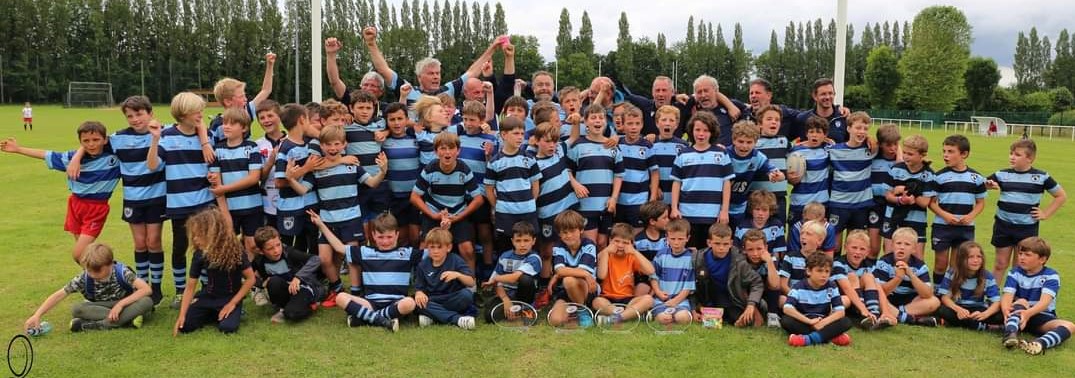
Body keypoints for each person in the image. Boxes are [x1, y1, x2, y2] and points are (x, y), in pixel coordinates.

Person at [1, 121, 119, 263]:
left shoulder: (115, 156)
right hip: (76, 205)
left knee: (79, 254)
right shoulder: (71, 158)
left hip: (96, 208)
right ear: (80, 142)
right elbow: (46, 154)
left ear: (105, 140)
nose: (91, 144)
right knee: (87, 254)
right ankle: (99, 281)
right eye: (86, 141)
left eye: (96, 140)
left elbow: (128, 137)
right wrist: (18, 149)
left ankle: (116, 274)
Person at [147, 92, 216, 307]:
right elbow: (152, 166)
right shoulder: (167, 135)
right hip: (179, 205)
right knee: (179, 249)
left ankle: (206, 289)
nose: (201, 114)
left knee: (205, 248)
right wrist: (155, 140)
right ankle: (179, 291)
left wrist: (204, 141)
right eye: (197, 111)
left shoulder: (207, 136)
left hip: (204, 203)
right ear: (183, 113)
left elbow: (214, 162)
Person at [307, 126, 387, 305]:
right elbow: (303, 187)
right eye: (328, 144)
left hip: (350, 219)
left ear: (345, 145)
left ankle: (357, 293)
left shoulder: (352, 165)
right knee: (325, 259)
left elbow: (372, 183)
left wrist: (382, 171)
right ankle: (337, 289)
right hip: (327, 221)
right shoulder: (318, 167)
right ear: (321, 146)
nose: (333, 148)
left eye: (337, 144)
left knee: (352, 257)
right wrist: (290, 178)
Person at [315, 212, 418, 332]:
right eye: (380, 237)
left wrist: (443, 229)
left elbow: (434, 253)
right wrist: (321, 225)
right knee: (340, 297)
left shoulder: (407, 253)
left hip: (396, 303)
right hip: (370, 303)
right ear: (373, 235)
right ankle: (382, 320)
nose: (385, 241)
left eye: (389, 237)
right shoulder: (365, 252)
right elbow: (339, 247)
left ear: (397, 234)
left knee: (410, 303)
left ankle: (367, 318)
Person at [361, 25, 504, 107]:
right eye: (431, 73)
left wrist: (493, 47)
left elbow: (473, 71)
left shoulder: (449, 89)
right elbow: (383, 69)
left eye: (437, 73)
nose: (436, 76)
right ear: (419, 77)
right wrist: (371, 44)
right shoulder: (408, 90)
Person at [24, 243, 152, 333]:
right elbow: (59, 295)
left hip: (124, 305)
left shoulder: (122, 272)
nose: (93, 275)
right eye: (89, 271)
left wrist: (120, 305)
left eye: (97, 271)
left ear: (110, 264)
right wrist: (37, 315)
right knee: (77, 308)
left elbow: (146, 289)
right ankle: (126, 320)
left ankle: (93, 325)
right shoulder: (83, 278)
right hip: (100, 306)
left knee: (147, 301)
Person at [986, 139, 1066, 280]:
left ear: (1030, 158)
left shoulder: (1041, 177)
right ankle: (991, 297)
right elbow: (983, 185)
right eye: (1011, 153)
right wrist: (988, 185)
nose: (1012, 157)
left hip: (1026, 229)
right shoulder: (1001, 174)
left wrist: (1045, 213)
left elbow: (1060, 196)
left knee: (1019, 266)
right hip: (1003, 225)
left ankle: (1013, 298)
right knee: (1000, 264)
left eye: (1017, 154)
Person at [173, 208, 256, 335]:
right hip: (208, 296)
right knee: (185, 326)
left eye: (198, 235)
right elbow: (190, 287)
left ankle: (230, 311)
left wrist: (233, 303)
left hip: (230, 297)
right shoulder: (199, 254)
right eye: (193, 235)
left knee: (227, 328)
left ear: (212, 233)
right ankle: (212, 312)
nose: (194, 239)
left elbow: (251, 279)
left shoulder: (235, 250)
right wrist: (182, 315)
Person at [410, 131, 484, 265]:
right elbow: (414, 197)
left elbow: (478, 199)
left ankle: (470, 282)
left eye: (451, 148)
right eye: (443, 148)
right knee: (425, 249)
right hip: (435, 212)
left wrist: (459, 216)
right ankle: (424, 281)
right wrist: (433, 215)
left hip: (457, 213)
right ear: (436, 151)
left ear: (458, 151)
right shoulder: (430, 169)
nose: (447, 152)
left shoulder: (464, 169)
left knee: (467, 249)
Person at [1001, 237, 1075, 355]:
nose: (1022, 257)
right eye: (1020, 253)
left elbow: (1044, 303)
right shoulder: (1015, 272)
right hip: (1018, 315)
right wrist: (1005, 310)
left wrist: (1028, 313)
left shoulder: (1051, 276)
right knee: (1021, 301)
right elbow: (1007, 296)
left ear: (1042, 259)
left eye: (1027, 255)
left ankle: (1039, 343)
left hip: (1040, 317)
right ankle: (1010, 334)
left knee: (1070, 326)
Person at [928, 134, 986, 286]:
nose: (945, 155)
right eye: (944, 151)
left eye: (950, 151)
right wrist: (945, 215)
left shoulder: (976, 178)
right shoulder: (938, 176)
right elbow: (932, 203)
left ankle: (949, 292)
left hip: (965, 227)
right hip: (943, 226)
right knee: (941, 263)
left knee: (956, 265)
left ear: (964, 154)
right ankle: (937, 291)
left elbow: (980, 203)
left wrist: (971, 216)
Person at [671, 112, 733, 249]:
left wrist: (724, 210)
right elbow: (676, 182)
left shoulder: (721, 154)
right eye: (697, 130)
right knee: (691, 252)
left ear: (712, 132)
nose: (701, 134)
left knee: (709, 251)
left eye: (706, 130)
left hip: (713, 214)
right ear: (691, 131)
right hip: (687, 213)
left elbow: (726, 183)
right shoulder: (683, 154)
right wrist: (675, 208)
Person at [209, 108, 264, 259]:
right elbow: (216, 184)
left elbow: (254, 178)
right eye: (225, 123)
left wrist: (224, 188)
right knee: (228, 245)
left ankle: (251, 279)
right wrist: (225, 212)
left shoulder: (251, 147)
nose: (226, 126)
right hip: (229, 209)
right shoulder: (217, 150)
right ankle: (234, 280)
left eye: (232, 124)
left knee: (252, 245)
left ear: (244, 128)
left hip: (252, 207)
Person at [567, 104, 623, 249]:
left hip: (606, 205)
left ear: (605, 121)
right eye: (593, 118)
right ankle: (588, 271)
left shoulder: (612, 146)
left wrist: (614, 198)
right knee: (589, 244)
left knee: (603, 243)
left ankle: (601, 272)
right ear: (585, 122)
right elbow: (567, 170)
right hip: (585, 204)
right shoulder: (578, 145)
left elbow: (618, 175)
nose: (597, 120)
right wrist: (575, 184)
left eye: (601, 117)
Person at [692, 222, 765, 328]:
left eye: (725, 244)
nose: (721, 248)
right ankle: (709, 314)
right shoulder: (697, 259)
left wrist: (751, 305)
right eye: (717, 243)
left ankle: (732, 316)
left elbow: (757, 282)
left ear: (731, 243)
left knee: (747, 321)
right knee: (711, 322)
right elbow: (690, 286)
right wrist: (693, 309)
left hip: (731, 298)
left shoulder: (738, 260)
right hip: (707, 299)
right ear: (709, 242)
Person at [273, 103, 323, 256]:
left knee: (313, 242)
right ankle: (290, 276)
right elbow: (279, 182)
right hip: (290, 207)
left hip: (311, 204)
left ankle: (313, 277)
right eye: (308, 119)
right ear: (302, 119)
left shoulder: (309, 144)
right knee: (289, 246)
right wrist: (305, 169)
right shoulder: (286, 149)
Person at [827, 112, 877, 254]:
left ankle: (852, 274)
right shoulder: (834, 150)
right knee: (834, 245)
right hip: (839, 204)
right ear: (848, 128)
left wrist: (871, 138)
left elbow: (892, 146)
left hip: (861, 205)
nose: (862, 132)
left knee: (856, 246)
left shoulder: (871, 149)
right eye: (858, 128)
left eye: (865, 129)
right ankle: (834, 274)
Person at [251, 226, 324, 323]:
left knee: (292, 314)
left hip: (302, 287)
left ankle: (312, 305)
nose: (276, 250)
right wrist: (261, 284)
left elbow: (316, 259)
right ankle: (283, 307)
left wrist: (298, 277)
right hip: (284, 289)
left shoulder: (288, 252)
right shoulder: (259, 260)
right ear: (261, 251)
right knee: (274, 281)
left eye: (278, 245)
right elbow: (246, 274)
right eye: (270, 248)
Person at [873, 227, 941, 326]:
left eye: (907, 244)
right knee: (875, 297)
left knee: (934, 301)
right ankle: (910, 319)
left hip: (909, 302)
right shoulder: (884, 262)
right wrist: (898, 278)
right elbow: (881, 291)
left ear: (913, 249)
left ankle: (898, 313)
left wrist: (910, 274)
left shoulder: (920, 266)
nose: (902, 247)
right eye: (898, 243)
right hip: (888, 299)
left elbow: (927, 294)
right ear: (892, 245)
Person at [783, 253, 853, 347]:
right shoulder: (798, 287)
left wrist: (823, 323)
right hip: (805, 322)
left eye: (827, 271)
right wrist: (809, 321)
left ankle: (808, 339)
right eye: (819, 271)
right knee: (786, 320)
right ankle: (830, 337)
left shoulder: (831, 286)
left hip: (824, 322)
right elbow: (787, 308)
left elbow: (840, 311)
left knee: (846, 321)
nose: (824, 275)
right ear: (808, 271)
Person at [881, 135, 934, 259]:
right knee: (889, 256)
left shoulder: (929, 174)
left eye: (910, 154)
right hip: (892, 218)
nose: (905, 156)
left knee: (916, 259)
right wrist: (900, 199)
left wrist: (907, 192)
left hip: (916, 221)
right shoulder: (895, 169)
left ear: (922, 155)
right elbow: (887, 195)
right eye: (904, 152)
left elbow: (925, 202)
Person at [414, 228, 478, 330]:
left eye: (439, 247)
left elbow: (471, 282)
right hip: (434, 299)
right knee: (417, 303)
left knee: (466, 295)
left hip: (453, 298)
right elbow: (419, 288)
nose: (435, 251)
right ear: (427, 248)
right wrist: (419, 293)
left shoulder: (455, 260)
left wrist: (458, 275)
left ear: (449, 247)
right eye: (432, 247)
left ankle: (434, 316)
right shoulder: (423, 265)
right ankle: (457, 319)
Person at [592, 223, 655, 325]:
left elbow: (651, 271)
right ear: (610, 240)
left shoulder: (631, 257)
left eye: (625, 242)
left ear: (631, 243)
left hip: (628, 299)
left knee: (648, 300)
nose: (620, 245)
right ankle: (631, 315)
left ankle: (617, 318)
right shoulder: (605, 255)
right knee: (596, 302)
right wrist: (607, 251)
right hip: (608, 298)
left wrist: (634, 252)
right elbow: (601, 275)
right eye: (616, 241)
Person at [208, 53, 276, 145]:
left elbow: (266, 90)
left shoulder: (246, 112)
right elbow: (210, 149)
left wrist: (270, 65)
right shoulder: (217, 125)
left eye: (245, 95)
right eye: (241, 96)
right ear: (228, 102)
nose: (245, 99)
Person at [547, 210, 599, 327]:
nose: (569, 235)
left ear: (581, 230)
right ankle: (573, 311)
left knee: (568, 280)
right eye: (564, 232)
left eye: (572, 231)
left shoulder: (588, 245)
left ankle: (583, 310)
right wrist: (558, 274)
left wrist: (584, 274)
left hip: (587, 288)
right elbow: (560, 270)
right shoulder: (558, 246)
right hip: (566, 290)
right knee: (555, 321)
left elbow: (582, 272)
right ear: (559, 234)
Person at [936, 241, 1003, 332]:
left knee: (1000, 315)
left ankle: (956, 323)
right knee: (942, 310)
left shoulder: (987, 276)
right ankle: (984, 327)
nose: (976, 260)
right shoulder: (952, 273)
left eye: (979, 257)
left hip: (978, 309)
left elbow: (996, 302)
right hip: (958, 307)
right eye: (971, 257)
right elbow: (945, 298)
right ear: (961, 259)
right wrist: (959, 310)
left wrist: (985, 314)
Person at [381, 102, 422, 247]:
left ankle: (418, 267)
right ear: (386, 121)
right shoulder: (383, 142)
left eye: (400, 118)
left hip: (416, 195)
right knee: (402, 237)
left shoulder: (417, 138)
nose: (397, 123)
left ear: (406, 119)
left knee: (416, 237)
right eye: (392, 119)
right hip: (396, 197)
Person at [483, 221, 542, 322]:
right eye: (518, 241)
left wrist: (496, 278)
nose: (522, 244)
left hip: (524, 293)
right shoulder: (504, 256)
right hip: (507, 293)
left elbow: (515, 277)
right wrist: (505, 300)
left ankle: (526, 309)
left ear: (533, 241)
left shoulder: (535, 258)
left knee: (525, 279)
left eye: (526, 240)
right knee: (489, 316)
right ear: (512, 241)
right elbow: (498, 284)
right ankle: (513, 310)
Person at [726, 120, 782, 225]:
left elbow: (775, 171)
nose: (744, 146)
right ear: (733, 140)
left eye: (749, 142)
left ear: (756, 142)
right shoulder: (725, 154)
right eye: (741, 141)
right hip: (720, 205)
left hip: (740, 206)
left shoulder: (758, 157)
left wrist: (775, 175)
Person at [615, 104, 659, 232]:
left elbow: (655, 173)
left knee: (636, 235)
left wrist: (653, 198)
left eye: (637, 123)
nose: (634, 127)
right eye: (629, 123)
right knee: (620, 235)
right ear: (622, 125)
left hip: (639, 200)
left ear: (642, 124)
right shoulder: (617, 144)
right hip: (619, 200)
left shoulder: (647, 146)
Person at [748, 105, 791, 224]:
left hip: (778, 198)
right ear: (760, 124)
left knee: (778, 229)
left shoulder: (784, 141)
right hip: (756, 198)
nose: (774, 122)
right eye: (769, 119)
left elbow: (796, 154)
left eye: (777, 120)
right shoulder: (753, 143)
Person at [649, 219, 695, 327]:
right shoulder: (661, 255)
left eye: (680, 239)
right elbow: (653, 277)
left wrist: (675, 301)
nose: (676, 242)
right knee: (663, 318)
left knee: (683, 318)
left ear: (687, 238)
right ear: (667, 238)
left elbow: (688, 286)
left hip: (681, 300)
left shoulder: (691, 258)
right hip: (661, 299)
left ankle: (674, 317)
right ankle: (659, 315)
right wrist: (658, 292)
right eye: (672, 239)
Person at [787, 116, 831, 225]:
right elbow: (786, 172)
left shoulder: (828, 150)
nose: (814, 135)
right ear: (806, 134)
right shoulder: (794, 151)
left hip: (820, 203)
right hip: (799, 202)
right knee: (795, 235)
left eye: (818, 132)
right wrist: (789, 178)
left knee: (818, 236)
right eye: (811, 132)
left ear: (825, 135)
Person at [868, 124, 901, 258]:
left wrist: (900, 158)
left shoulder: (901, 160)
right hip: (874, 204)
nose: (892, 148)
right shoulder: (872, 157)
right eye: (888, 145)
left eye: (895, 144)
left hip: (892, 205)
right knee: (873, 248)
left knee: (889, 250)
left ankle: (885, 276)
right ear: (880, 144)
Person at [254, 100, 286, 230]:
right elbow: (258, 177)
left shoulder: (292, 140)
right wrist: (271, 160)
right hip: (267, 203)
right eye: (262, 118)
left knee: (288, 241)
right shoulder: (256, 145)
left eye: (270, 116)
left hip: (289, 199)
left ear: (280, 117)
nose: (266, 120)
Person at [740, 229, 782, 327]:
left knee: (782, 299)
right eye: (750, 250)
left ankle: (772, 315)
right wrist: (756, 313)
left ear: (766, 247)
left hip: (766, 294)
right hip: (747, 296)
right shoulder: (741, 262)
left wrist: (769, 262)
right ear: (744, 249)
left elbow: (775, 285)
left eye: (759, 249)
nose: (755, 254)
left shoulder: (771, 259)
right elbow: (741, 290)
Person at [650, 105, 688, 205]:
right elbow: (646, 169)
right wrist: (653, 186)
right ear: (657, 123)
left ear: (676, 124)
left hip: (677, 199)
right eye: (664, 120)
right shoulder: (650, 144)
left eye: (671, 120)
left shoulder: (684, 146)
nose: (667, 123)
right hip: (656, 198)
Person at [735, 190, 787, 261]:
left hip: (769, 263)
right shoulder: (742, 227)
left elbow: (777, 254)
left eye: (764, 210)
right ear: (751, 210)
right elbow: (738, 252)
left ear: (770, 211)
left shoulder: (777, 226)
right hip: (747, 265)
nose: (760, 213)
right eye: (757, 209)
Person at [794, 78, 848, 144]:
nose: (827, 97)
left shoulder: (844, 118)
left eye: (830, 93)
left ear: (834, 94)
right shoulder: (802, 119)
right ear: (814, 96)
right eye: (823, 94)